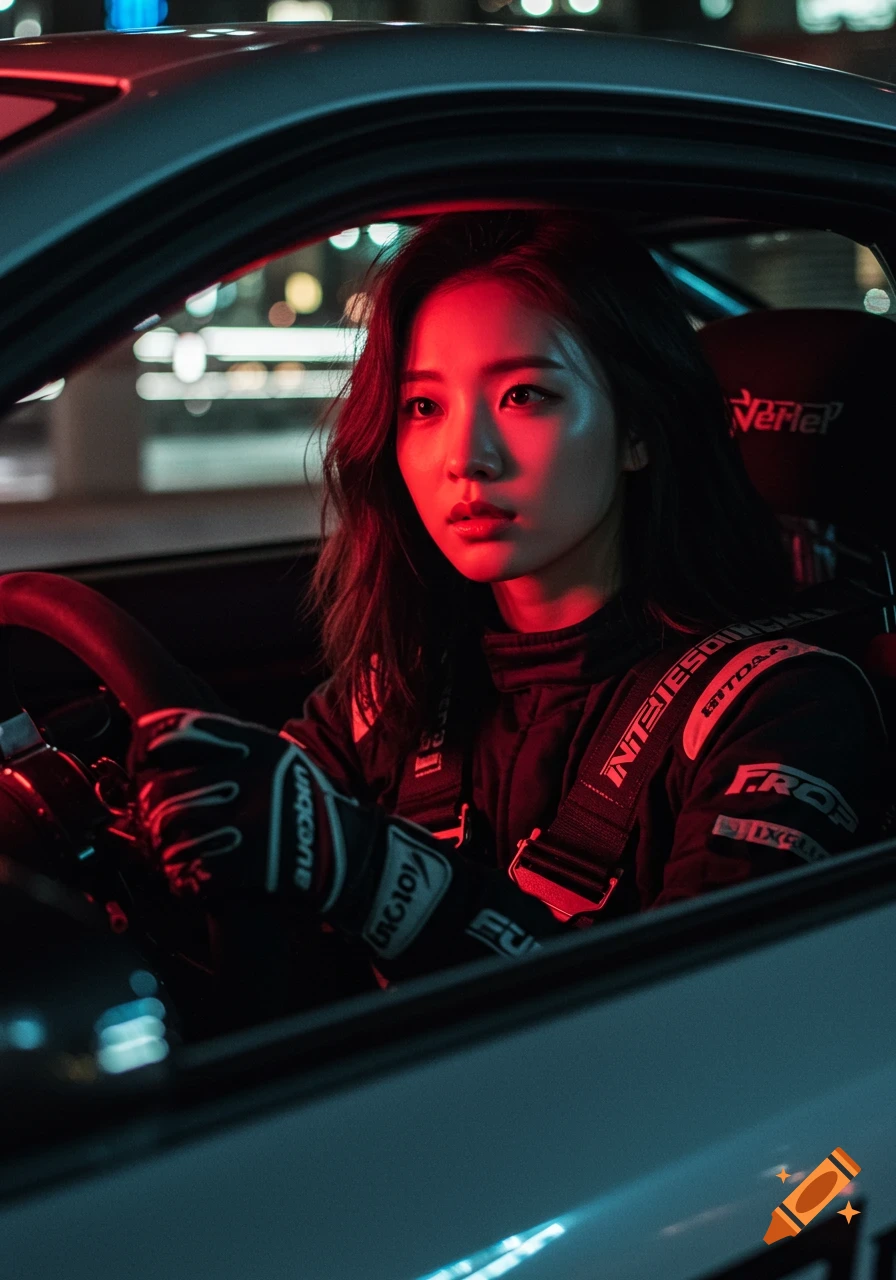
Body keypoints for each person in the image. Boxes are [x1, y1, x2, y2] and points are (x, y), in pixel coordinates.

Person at [129, 210, 887, 993]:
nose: (467, 457)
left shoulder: (781, 707)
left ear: (639, 430)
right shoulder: (395, 698)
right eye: (424, 407)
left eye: (525, 394)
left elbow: (690, 1039)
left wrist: (377, 877)